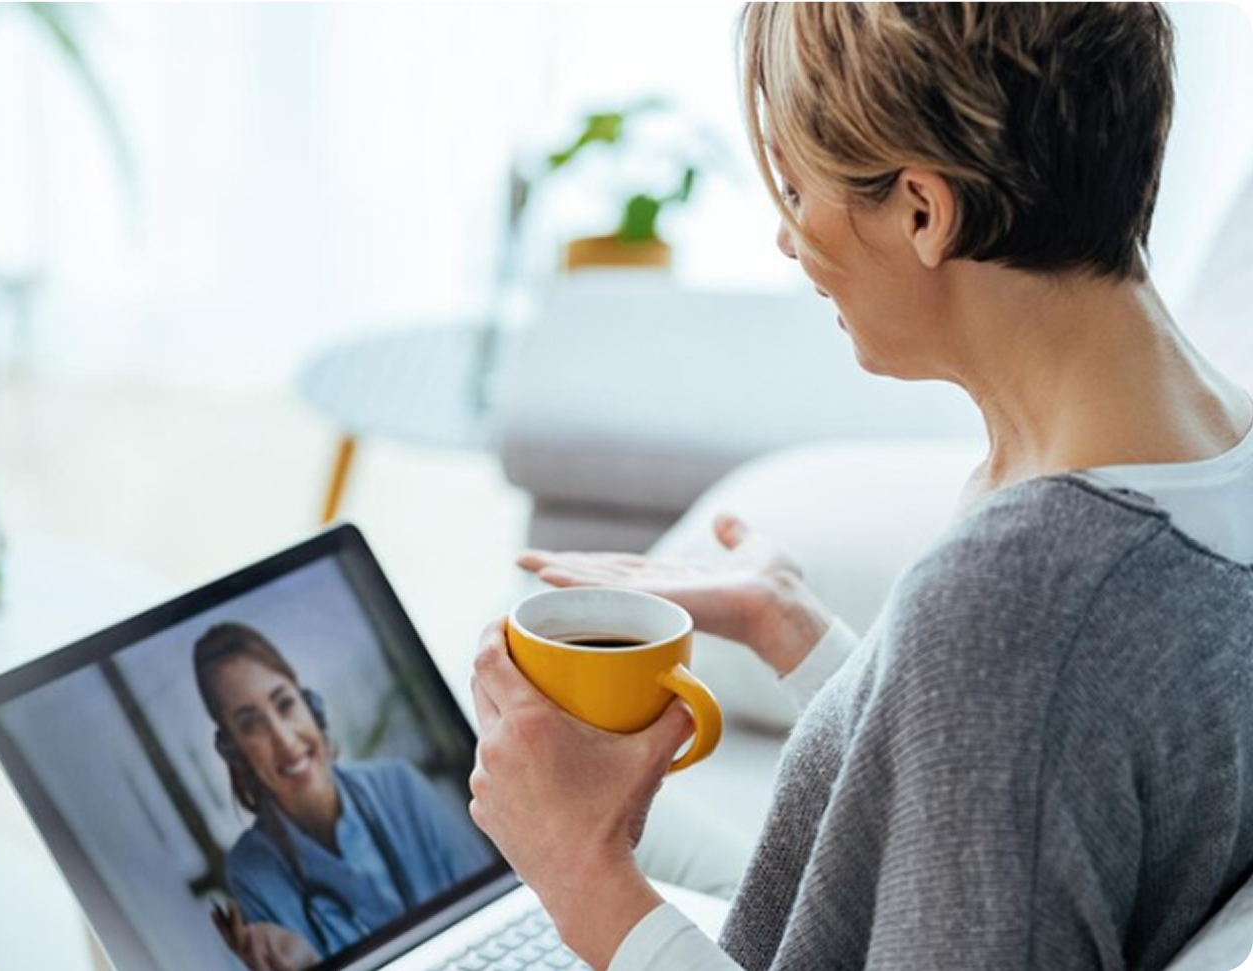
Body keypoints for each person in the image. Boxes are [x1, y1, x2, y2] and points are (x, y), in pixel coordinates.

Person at [466, 4, 1253, 970]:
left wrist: (583, 872)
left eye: (797, 188)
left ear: (923, 211)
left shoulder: (1020, 603)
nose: (786, 240)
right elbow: (1019, 779)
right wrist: (802, 634)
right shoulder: (1190, 457)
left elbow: (1021, 687)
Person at [194, 622, 494, 971]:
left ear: (310, 705)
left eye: (285, 704)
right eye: (250, 724)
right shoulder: (252, 870)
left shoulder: (398, 786)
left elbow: (491, 904)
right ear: (233, 751)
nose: (285, 741)